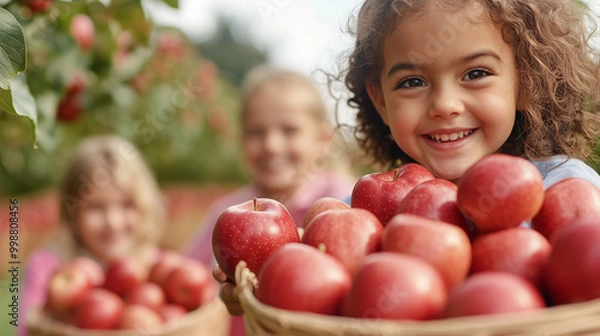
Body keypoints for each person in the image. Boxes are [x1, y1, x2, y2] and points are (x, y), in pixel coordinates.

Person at [215, 0, 600, 321]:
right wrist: (267, 278)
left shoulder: (564, 187)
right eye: (413, 82)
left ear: (524, 81)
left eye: (476, 73)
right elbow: (313, 271)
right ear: (380, 101)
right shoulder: (366, 213)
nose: (445, 106)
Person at [184, 65, 356, 335]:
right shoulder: (227, 213)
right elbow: (185, 276)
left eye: (289, 130)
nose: (271, 145)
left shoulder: (344, 203)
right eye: (256, 132)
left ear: (324, 139)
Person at [21, 135, 166, 336]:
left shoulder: (155, 268)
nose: (113, 222)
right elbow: (28, 329)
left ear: (145, 207)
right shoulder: (48, 268)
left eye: (126, 205)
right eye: (96, 208)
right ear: (72, 213)